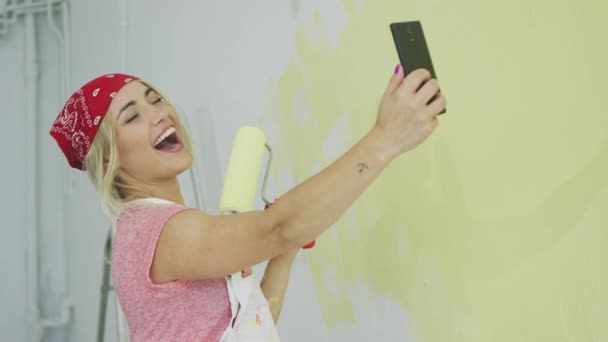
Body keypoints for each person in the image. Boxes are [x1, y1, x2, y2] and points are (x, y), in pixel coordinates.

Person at [49, 64, 446, 341]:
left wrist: (284, 252)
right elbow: (281, 226)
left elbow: (253, 323)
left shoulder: (165, 225)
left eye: (155, 99)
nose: (159, 114)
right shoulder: (159, 232)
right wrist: (386, 137)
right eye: (133, 116)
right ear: (107, 159)